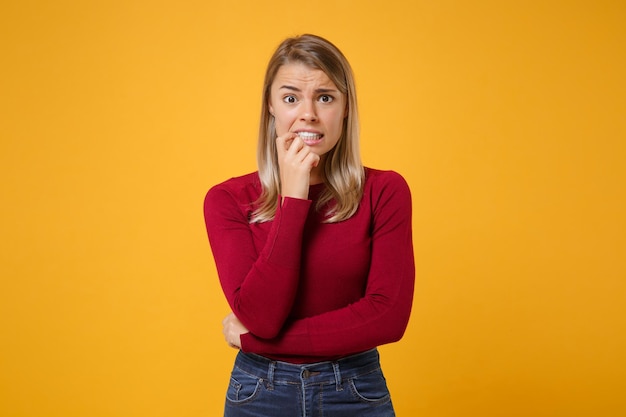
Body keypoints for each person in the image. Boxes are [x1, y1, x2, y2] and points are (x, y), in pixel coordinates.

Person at [203, 33, 415, 417]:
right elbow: (261, 316)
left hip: (355, 390)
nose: (308, 114)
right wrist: (293, 198)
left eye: (325, 97)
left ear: (346, 107)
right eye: (290, 98)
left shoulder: (385, 191)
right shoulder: (227, 200)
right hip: (258, 394)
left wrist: (257, 342)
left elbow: (388, 317)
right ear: (270, 106)